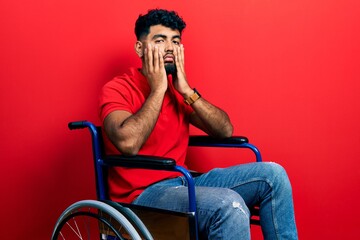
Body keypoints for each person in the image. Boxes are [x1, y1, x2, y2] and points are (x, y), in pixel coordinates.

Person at [99, 9, 298, 239]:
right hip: (143, 196)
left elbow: (225, 130)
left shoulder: (178, 93)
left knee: (274, 175)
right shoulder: (118, 89)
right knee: (228, 204)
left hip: (185, 182)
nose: (170, 48)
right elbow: (128, 143)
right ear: (140, 48)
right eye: (160, 40)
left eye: (175, 41)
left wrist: (186, 90)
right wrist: (158, 89)